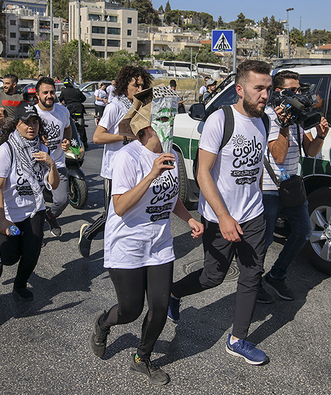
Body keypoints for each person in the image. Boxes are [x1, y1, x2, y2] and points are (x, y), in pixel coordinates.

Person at [88, 86, 203, 385]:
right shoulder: (128, 158)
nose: (167, 130)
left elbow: (170, 196)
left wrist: (189, 219)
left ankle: (142, 357)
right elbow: (121, 206)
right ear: (144, 128)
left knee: (160, 307)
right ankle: (104, 322)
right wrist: (151, 173)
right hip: (127, 243)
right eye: (161, 125)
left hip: (159, 244)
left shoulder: (168, 155)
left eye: (169, 123)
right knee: (130, 310)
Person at [167, 60, 272, 365]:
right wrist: (224, 216)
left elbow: (257, 168)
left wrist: (259, 201)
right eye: (259, 88)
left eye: (268, 88)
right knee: (213, 277)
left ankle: (238, 339)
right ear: (240, 89)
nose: (265, 94)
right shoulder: (219, 120)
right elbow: (202, 173)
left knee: (252, 275)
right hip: (218, 216)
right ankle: (175, 292)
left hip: (253, 216)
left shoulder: (263, 121)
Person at [258, 70, 330, 302]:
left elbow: (310, 151)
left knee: (303, 231)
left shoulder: (297, 118)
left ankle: (276, 275)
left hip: (291, 186)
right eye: (294, 90)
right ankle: (253, 281)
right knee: (265, 239)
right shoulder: (269, 117)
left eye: (299, 89)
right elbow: (278, 156)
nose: (299, 93)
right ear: (279, 92)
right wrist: (283, 124)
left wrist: (320, 136)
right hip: (269, 188)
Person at [77, 66, 152, 257]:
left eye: (142, 85)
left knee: (132, 211)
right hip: (114, 171)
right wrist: (125, 138)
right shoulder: (114, 107)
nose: (139, 88)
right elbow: (98, 137)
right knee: (113, 213)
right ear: (124, 85)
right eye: (136, 85)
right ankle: (89, 234)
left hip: (137, 169)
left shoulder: (142, 108)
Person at [0, 103, 59, 300]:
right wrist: (2, 220)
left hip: (34, 210)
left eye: (35, 122)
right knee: (10, 257)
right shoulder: (7, 150)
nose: (31, 126)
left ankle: (19, 285)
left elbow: (53, 185)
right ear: (16, 124)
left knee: (31, 252)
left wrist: (51, 163)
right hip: (8, 213)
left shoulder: (43, 149)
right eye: (26, 122)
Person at [34, 77, 71, 237]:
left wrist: (67, 141)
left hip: (57, 163)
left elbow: (68, 129)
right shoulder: (32, 112)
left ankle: (51, 216)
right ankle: (35, 234)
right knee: (35, 204)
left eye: (52, 92)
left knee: (63, 200)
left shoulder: (63, 111)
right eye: (45, 93)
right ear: (37, 95)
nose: (49, 95)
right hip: (35, 165)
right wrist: (38, 139)